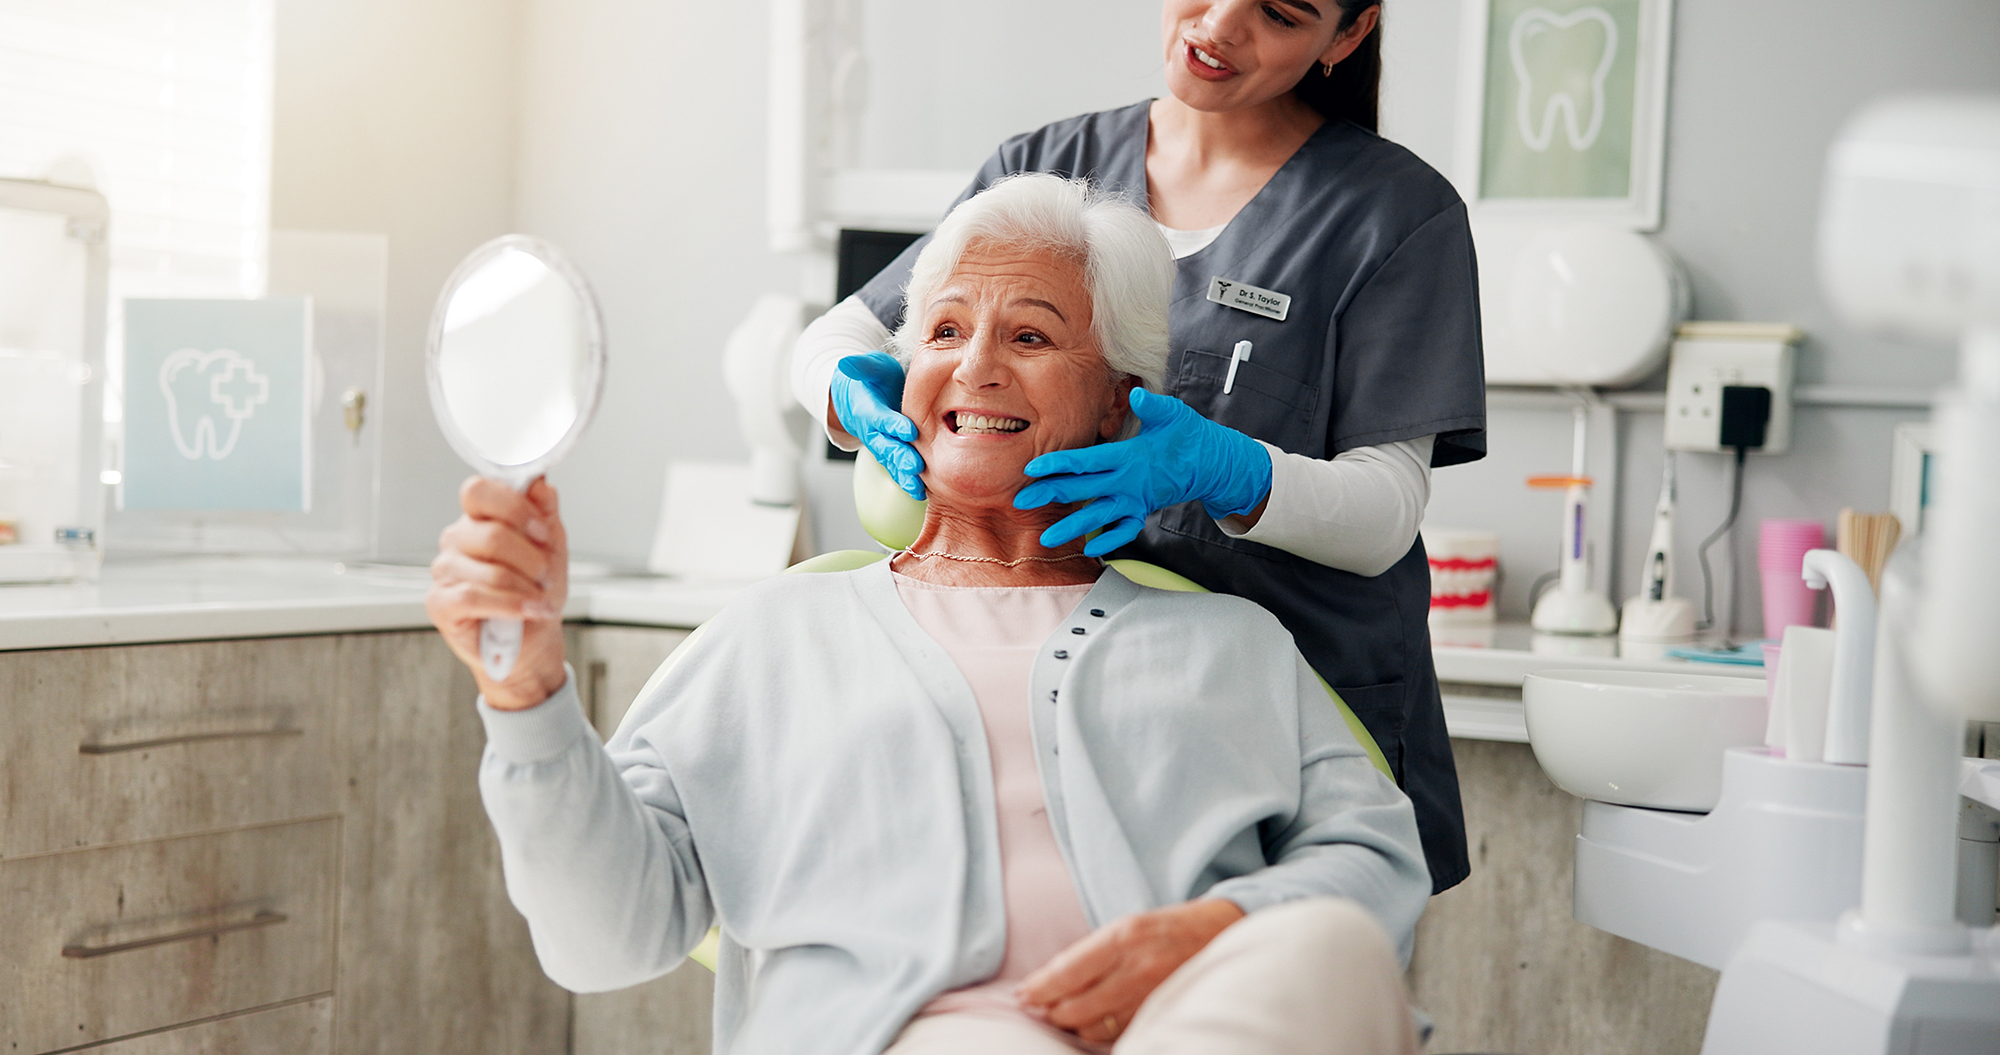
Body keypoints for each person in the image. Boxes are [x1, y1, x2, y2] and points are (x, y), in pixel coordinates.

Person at [429, 175, 1430, 1055]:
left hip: (1188, 1024)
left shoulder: (1230, 645)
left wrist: (1212, 925)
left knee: (1331, 945)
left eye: (1029, 335)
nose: (976, 367)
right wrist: (528, 699)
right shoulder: (774, 636)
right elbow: (602, 936)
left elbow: (1378, 863)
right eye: (943, 332)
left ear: (1121, 409)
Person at [790, 0, 1485, 894]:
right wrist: (852, 386)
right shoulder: (1046, 169)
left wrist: (1222, 468)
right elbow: (830, 339)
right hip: (1081, 690)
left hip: (1287, 702)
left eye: (1278, 13)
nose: (1222, 25)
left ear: (1346, 36)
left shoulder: (1394, 214)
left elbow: (1385, 511)